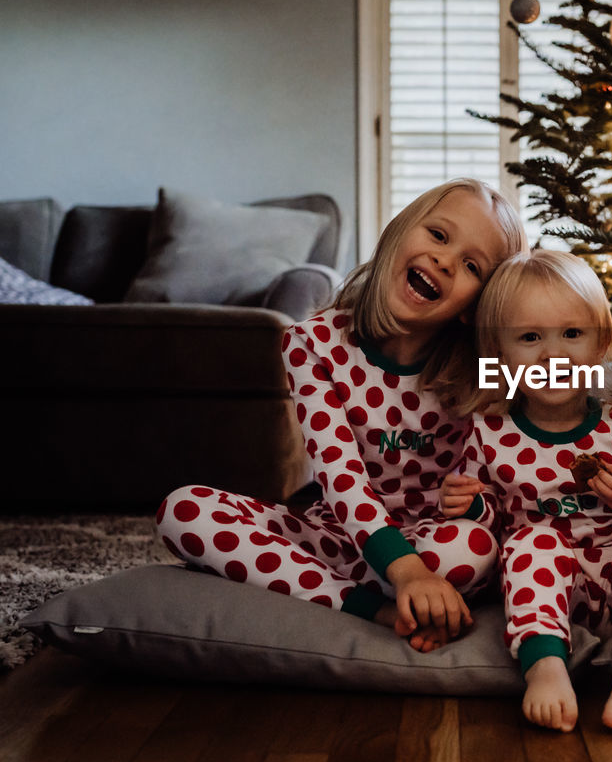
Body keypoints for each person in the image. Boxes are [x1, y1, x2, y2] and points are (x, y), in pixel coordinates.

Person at [154, 178, 527, 652]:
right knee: (184, 510)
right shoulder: (312, 343)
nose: (444, 260)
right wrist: (405, 574)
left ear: (475, 308)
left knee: (471, 549)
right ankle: (380, 607)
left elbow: (573, 382)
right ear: (398, 229)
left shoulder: (482, 367)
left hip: (433, 543)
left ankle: (396, 592)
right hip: (338, 537)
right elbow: (340, 477)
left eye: (471, 265)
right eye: (438, 235)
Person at [440, 250, 612, 732]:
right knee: (533, 539)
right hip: (544, 589)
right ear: (499, 356)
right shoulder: (491, 433)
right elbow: (488, 521)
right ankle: (545, 666)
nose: (553, 354)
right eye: (530, 338)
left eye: (572, 334)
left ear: (600, 344)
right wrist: (471, 503)